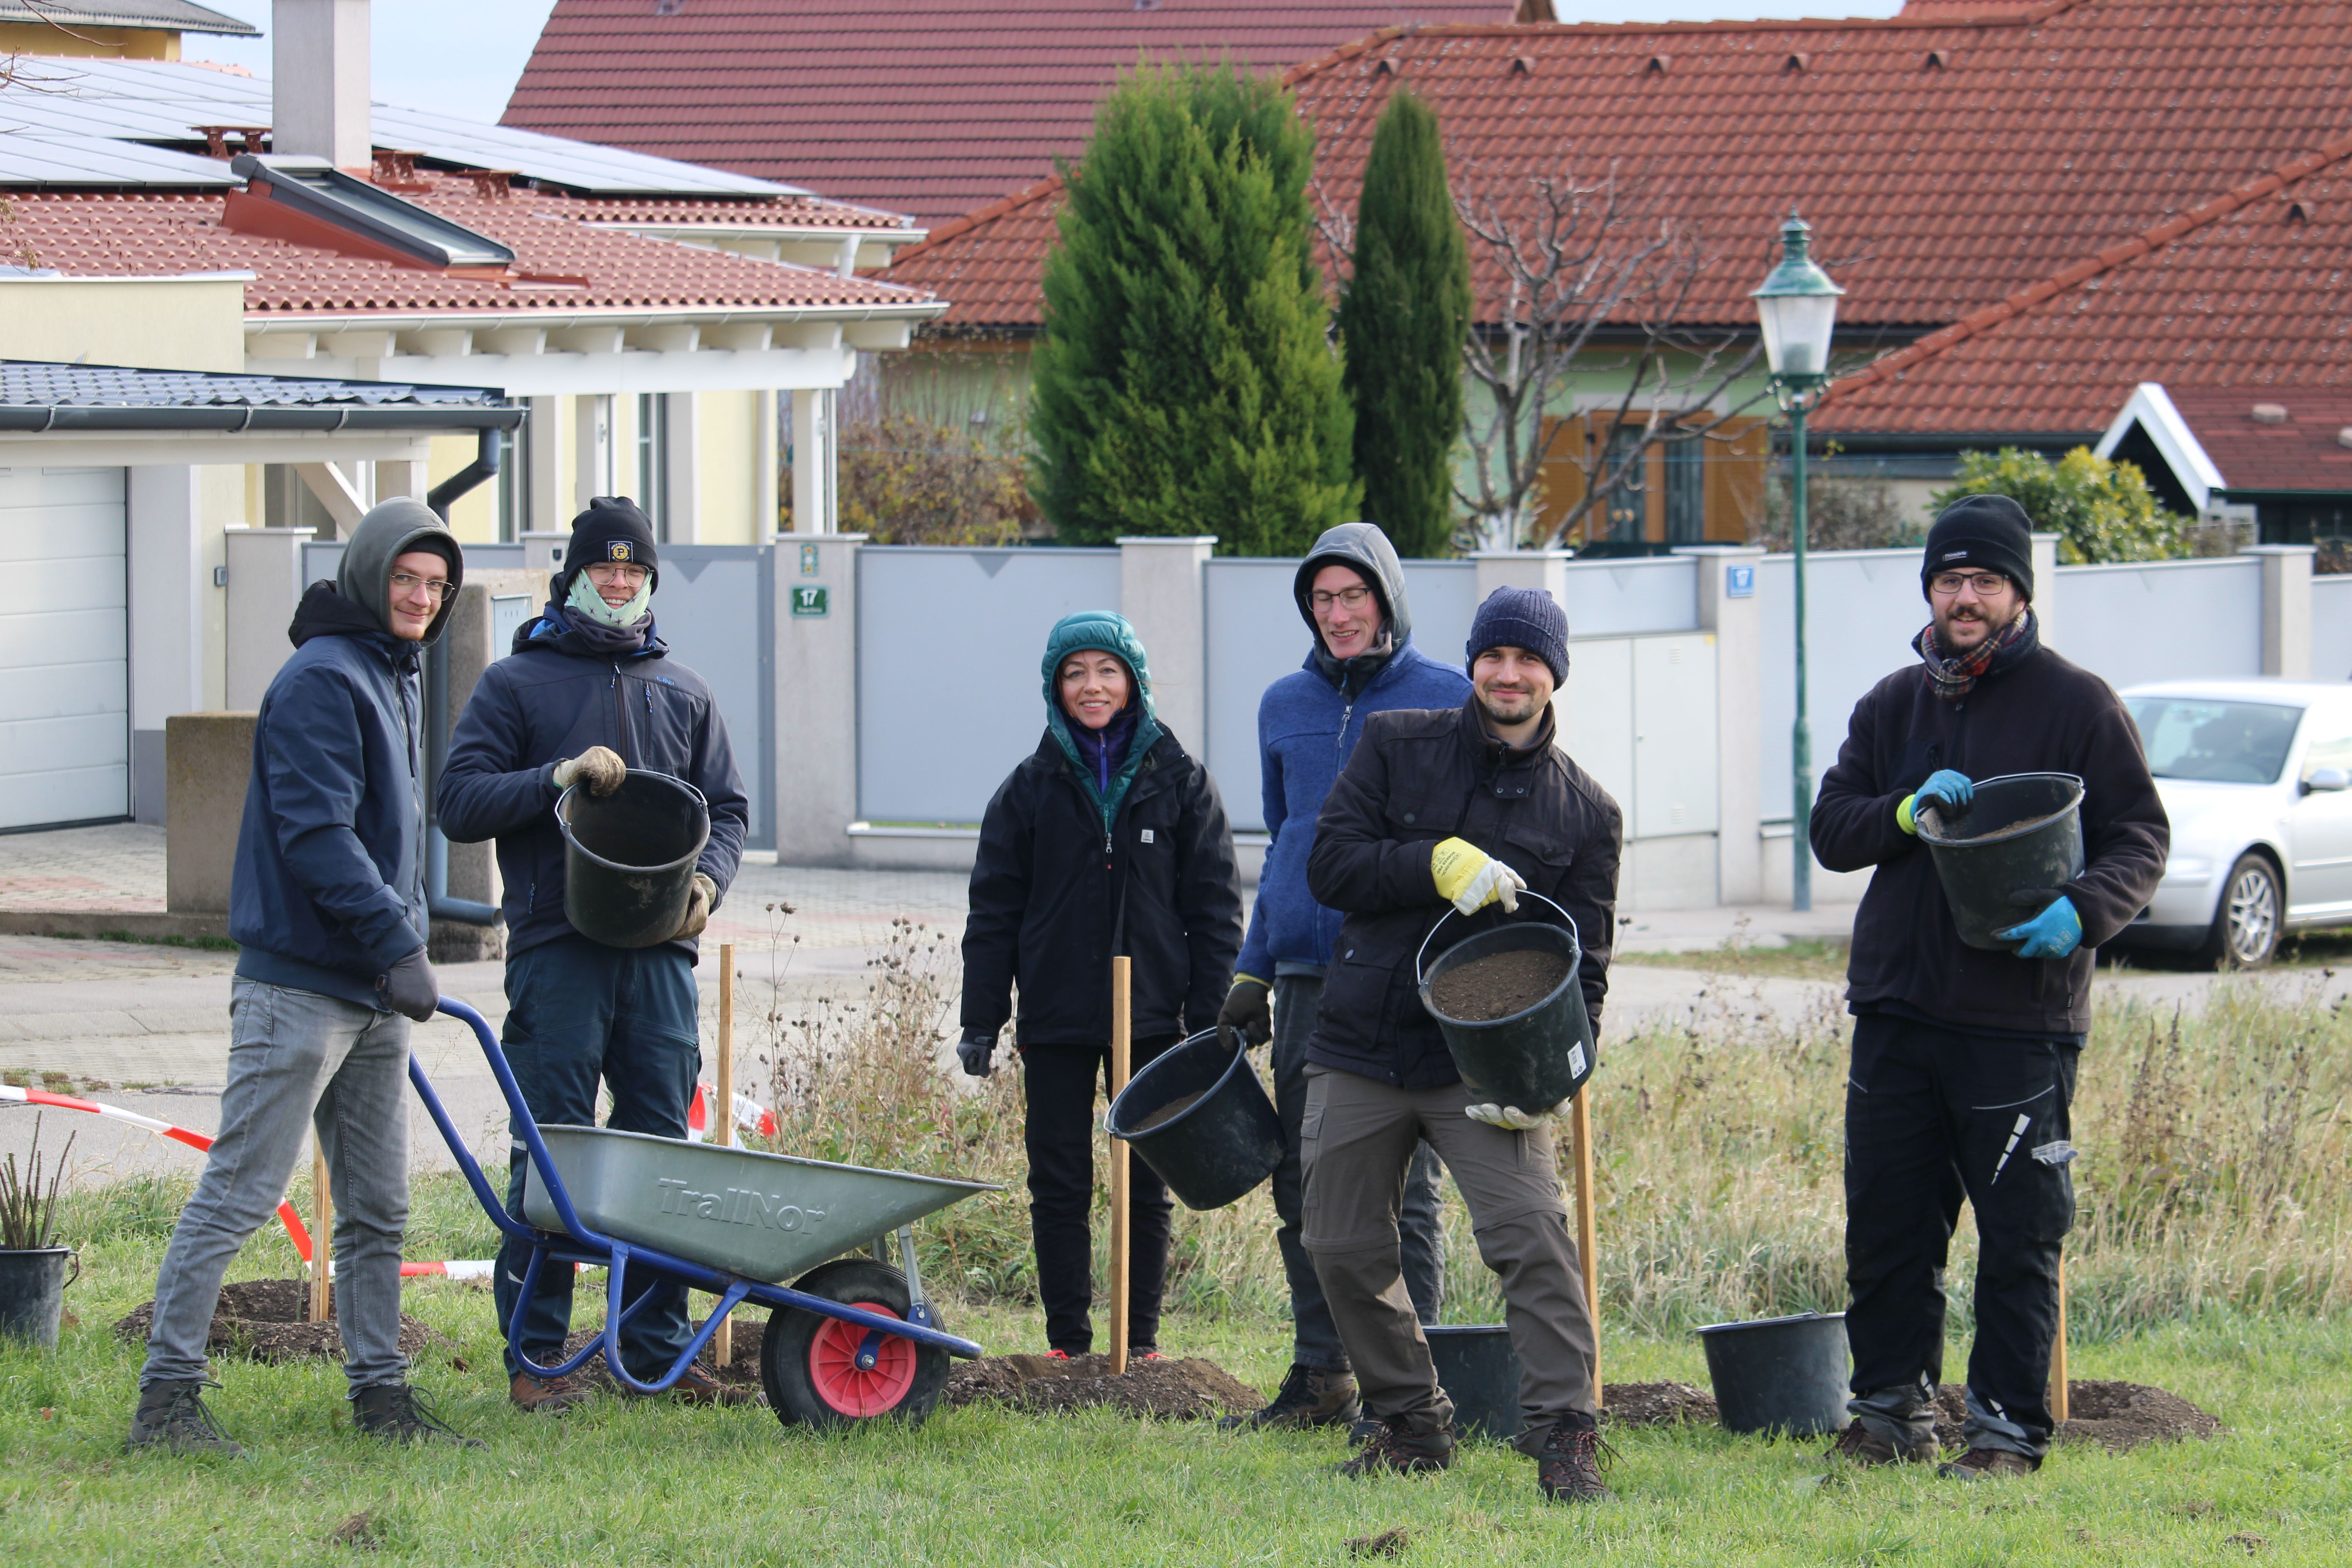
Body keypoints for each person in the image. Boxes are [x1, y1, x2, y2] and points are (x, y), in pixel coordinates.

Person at [1812, 494, 2168, 1479]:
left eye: (1986, 581)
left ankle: (2007, 1431)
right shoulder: (1893, 704)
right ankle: (1888, 1411)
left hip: (2020, 1018)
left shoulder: (2077, 704)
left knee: (2019, 1236)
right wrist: (1903, 809)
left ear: (2018, 592)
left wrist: (2085, 910)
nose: (1965, 598)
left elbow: (2142, 835)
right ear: (1928, 587)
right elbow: (1833, 827)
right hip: (1897, 1007)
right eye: (1949, 579)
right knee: (1886, 1227)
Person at [130, 499, 481, 1454]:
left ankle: (380, 1397)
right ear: (371, 575)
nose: (421, 598)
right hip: (302, 987)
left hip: (370, 989)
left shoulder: (389, 671)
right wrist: (398, 943)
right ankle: (166, 1401)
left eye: (437, 586)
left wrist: (401, 944)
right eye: (407, 578)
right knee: (242, 1189)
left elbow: (387, 837)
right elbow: (317, 837)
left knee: (378, 1207)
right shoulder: (326, 678)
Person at [1301, 586, 1621, 1503]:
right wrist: (1433, 859)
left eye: (1529, 660)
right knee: (1340, 1241)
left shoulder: (1586, 812)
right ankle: (1412, 1419)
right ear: (1474, 661)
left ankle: (1566, 1433)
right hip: (1365, 1039)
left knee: (1530, 1236)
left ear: (1554, 672)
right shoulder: (1396, 744)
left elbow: (1586, 968)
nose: (1509, 674)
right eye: (1495, 656)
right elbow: (1330, 864)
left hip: (1489, 1065)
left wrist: (1557, 1076)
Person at [439, 497, 751, 1413]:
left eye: (635, 572)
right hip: (557, 946)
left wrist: (710, 885)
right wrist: (554, 777)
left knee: (661, 1142)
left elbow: (726, 810)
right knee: (555, 1148)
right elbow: (459, 800)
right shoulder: (516, 684)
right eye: (603, 570)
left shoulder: (682, 690)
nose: (619, 584)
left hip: (659, 953)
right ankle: (536, 1357)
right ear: (571, 578)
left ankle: (651, 1348)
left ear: (651, 583)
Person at [1215, 523, 1468, 1433]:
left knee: (1406, 1190)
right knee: (1305, 1183)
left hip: (1405, 975)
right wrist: (1254, 966)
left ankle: (1415, 1383)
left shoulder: (1447, 697)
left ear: (1387, 598)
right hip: (1305, 976)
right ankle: (1323, 1372)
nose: (1338, 614)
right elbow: (1286, 844)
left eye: (1353, 595)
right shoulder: (1283, 704)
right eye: (1322, 599)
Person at [959, 611, 1243, 1359]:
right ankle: (1069, 1344)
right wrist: (981, 1019)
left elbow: (1215, 910)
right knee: (1058, 1178)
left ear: (1134, 683)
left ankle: (1140, 1345)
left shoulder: (1181, 784)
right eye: (1076, 673)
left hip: (1152, 1018)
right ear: (1056, 686)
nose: (1093, 687)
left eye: (1107, 672)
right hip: (1055, 1016)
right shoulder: (1027, 791)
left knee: (1145, 1183)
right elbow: (993, 914)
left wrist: (1213, 1020)